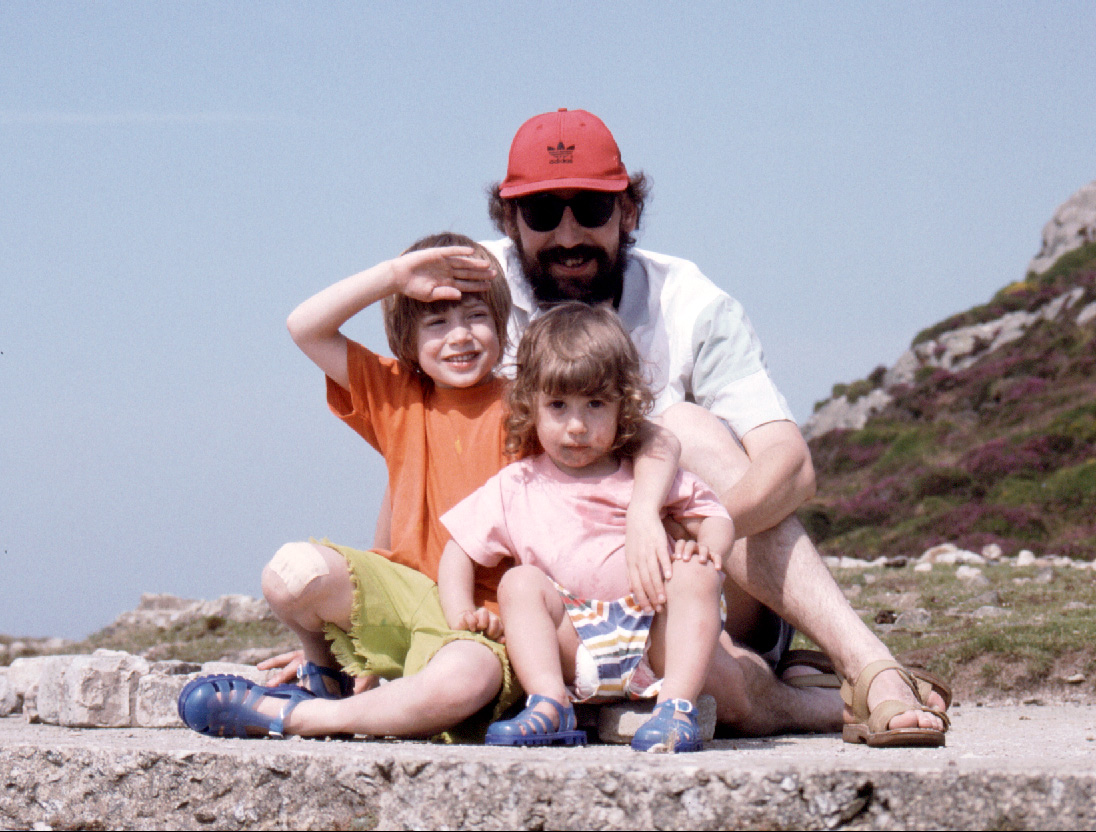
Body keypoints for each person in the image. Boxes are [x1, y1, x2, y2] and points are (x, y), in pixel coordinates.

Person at [479, 108, 950, 747]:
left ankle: (869, 665)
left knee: (682, 427)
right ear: (509, 222)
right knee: (725, 693)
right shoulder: (475, 298)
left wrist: (686, 534)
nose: (568, 235)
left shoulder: (688, 301)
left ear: (629, 213)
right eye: (541, 213)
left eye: (591, 208)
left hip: (683, 587)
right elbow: (416, 442)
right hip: (546, 600)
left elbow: (791, 465)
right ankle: (793, 697)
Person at [177, 232, 681, 742]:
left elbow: (654, 437)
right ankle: (327, 671)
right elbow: (304, 326)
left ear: (503, 324)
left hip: (486, 620)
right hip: (405, 594)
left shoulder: (532, 404)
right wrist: (395, 278)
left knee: (463, 681)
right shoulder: (396, 393)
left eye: (476, 318)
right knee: (291, 573)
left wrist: (643, 511)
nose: (459, 336)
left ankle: (296, 718)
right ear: (408, 341)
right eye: (436, 323)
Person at [439, 304, 734, 753]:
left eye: (595, 405)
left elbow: (714, 516)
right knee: (520, 582)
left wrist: (707, 550)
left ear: (624, 405)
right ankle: (550, 703)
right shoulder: (517, 484)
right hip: (572, 643)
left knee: (696, 574)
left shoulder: (640, 472)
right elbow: (458, 548)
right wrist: (461, 614)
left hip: (651, 633)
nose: (576, 427)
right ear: (530, 406)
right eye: (558, 406)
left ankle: (677, 706)